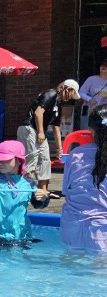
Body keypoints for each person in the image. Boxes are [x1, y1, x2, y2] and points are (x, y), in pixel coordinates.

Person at [20, 79, 79, 194]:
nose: (71, 97)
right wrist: (41, 132)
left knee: (45, 159)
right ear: (67, 89)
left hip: (39, 131)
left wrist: (59, 149)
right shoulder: (51, 94)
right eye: (73, 93)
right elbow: (38, 112)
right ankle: (24, 189)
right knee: (32, 157)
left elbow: (56, 127)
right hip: (29, 127)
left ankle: (43, 190)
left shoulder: (58, 104)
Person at [60, 107, 107, 252]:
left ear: (91, 131)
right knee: (98, 272)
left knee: (69, 270)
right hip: (101, 230)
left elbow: (66, 190)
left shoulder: (76, 154)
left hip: (71, 224)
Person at [79, 60, 107, 131]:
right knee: (87, 130)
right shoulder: (91, 79)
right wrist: (89, 99)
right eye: (102, 65)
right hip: (90, 110)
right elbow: (81, 92)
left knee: (102, 131)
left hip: (104, 112)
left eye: (106, 65)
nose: (103, 67)